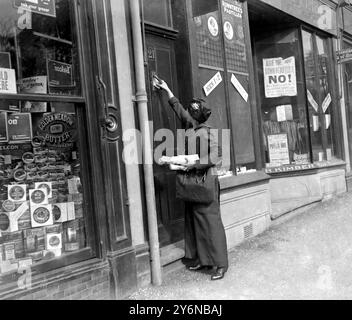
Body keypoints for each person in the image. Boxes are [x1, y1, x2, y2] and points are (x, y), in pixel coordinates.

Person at [155, 78, 228, 281]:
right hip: (193, 183)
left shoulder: (209, 133)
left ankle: (220, 264)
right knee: (195, 222)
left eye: (191, 112)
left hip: (206, 182)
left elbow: (216, 157)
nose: (188, 114)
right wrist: (168, 90)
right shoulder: (192, 127)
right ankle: (201, 260)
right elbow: (179, 110)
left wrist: (193, 164)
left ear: (197, 116)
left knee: (211, 223)